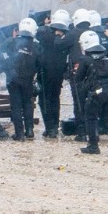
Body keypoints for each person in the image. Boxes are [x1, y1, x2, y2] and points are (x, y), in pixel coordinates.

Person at [72, 31, 108, 155]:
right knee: (106, 118)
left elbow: (78, 79)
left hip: (97, 93)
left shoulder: (85, 59)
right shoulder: (106, 58)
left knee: (90, 118)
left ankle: (93, 146)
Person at [36, 10, 72, 138]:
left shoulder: (44, 33)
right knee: (55, 99)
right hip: (59, 73)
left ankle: (50, 128)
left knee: (44, 100)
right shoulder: (66, 36)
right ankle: (55, 126)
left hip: (44, 72)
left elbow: (36, 29)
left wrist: (44, 22)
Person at [5, 18, 40, 141]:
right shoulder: (36, 46)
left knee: (16, 106)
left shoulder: (11, 42)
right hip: (28, 79)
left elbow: (2, 55)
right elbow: (39, 63)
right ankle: (29, 130)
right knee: (27, 104)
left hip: (13, 79)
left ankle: (19, 133)